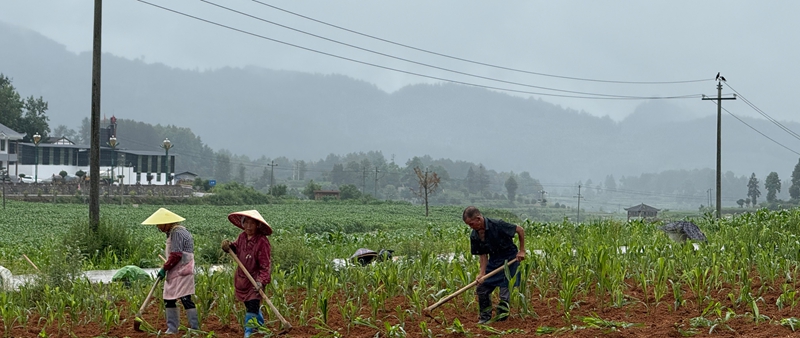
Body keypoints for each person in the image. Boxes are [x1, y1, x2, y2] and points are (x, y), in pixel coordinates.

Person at [462, 206, 525, 324]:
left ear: (478, 219)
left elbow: (520, 230)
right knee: (482, 288)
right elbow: (483, 255)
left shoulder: (497, 225)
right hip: (494, 261)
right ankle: (485, 317)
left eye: (471, 224)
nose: (470, 227)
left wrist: (521, 251)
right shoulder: (474, 235)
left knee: (504, 292)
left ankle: (501, 319)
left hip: (509, 260)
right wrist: (482, 273)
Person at [141, 207, 199, 333]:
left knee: (185, 299)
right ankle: (172, 328)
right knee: (169, 299)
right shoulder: (172, 232)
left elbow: (176, 255)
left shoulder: (177, 232)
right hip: (175, 270)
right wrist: (168, 266)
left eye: (159, 224)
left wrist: (165, 267)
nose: (158, 227)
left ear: (167, 223)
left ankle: (195, 328)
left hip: (183, 271)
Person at [220, 210, 272, 338]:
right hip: (243, 279)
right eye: (246, 223)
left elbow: (265, 265)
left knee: (253, 304)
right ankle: (260, 327)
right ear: (243, 224)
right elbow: (235, 249)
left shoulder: (262, 241)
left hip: (255, 279)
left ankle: (249, 332)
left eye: (252, 223)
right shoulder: (242, 237)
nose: (249, 226)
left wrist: (261, 281)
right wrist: (228, 246)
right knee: (250, 305)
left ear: (257, 225)